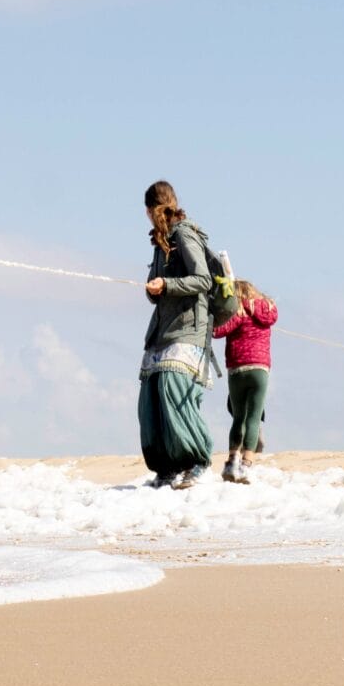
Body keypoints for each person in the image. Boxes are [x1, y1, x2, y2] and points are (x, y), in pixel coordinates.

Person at [138, 180, 217, 489]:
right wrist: (154, 289)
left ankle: (196, 462)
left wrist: (167, 286)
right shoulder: (159, 242)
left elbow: (203, 280)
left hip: (189, 329)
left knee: (174, 390)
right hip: (161, 330)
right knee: (151, 398)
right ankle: (166, 468)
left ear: (149, 209)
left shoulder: (184, 234)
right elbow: (154, 285)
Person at [213, 279, 278, 483]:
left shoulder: (237, 311)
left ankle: (232, 461)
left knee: (238, 417)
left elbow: (217, 332)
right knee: (254, 417)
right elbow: (273, 316)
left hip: (237, 369)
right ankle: (247, 464)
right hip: (260, 369)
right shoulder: (267, 310)